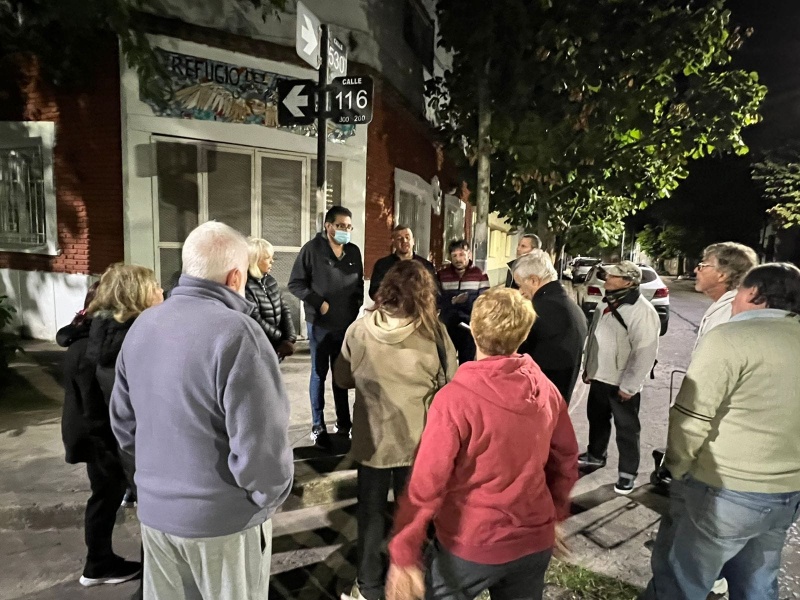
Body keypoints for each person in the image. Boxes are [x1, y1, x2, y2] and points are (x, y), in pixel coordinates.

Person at [109, 221, 294, 600]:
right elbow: (262, 447)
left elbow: (124, 427)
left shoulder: (143, 325)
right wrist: (267, 498)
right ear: (235, 277)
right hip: (224, 523)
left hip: (156, 519)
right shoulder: (239, 333)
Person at [385, 288, 579, 600]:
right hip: (533, 542)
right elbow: (566, 459)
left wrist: (405, 548)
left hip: (469, 545)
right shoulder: (545, 389)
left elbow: (427, 482)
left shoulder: (454, 401)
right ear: (524, 334)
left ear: (473, 330)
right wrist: (555, 513)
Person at [641, 263, 800, 600]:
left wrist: (677, 470)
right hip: (786, 492)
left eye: (739, 292)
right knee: (757, 584)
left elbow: (691, 417)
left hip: (724, 488)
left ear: (754, 293)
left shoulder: (731, 337)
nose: (734, 301)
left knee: (682, 582)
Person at [334, 260, 457, 600]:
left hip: (372, 440)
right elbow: (450, 383)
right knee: (415, 516)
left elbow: (342, 378)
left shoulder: (358, 330)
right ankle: (411, 584)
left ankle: (369, 586)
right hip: (419, 441)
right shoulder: (434, 333)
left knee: (370, 515)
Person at [69, 265, 163, 587]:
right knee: (151, 511)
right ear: (138, 295)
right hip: (127, 441)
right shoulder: (139, 338)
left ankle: (98, 564)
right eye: (155, 286)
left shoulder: (95, 330)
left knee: (105, 498)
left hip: (100, 437)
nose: (161, 291)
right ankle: (153, 583)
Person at [59, 281, 142, 588]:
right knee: (105, 498)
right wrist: (109, 444)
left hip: (91, 434)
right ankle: (97, 564)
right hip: (98, 437)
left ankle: (99, 561)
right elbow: (95, 402)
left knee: (104, 497)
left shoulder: (81, 336)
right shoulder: (92, 346)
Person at [579, 261, 660, 495]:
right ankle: (595, 455)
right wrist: (589, 368)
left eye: (613, 276)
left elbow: (645, 352)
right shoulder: (606, 302)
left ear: (628, 282)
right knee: (597, 419)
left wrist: (630, 386)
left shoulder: (642, 311)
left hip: (621, 382)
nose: (607, 279)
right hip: (599, 376)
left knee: (627, 429)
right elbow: (593, 338)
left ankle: (627, 473)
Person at [289, 206, 364, 445]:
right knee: (319, 374)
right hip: (319, 325)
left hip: (344, 325)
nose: (345, 230)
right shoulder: (312, 250)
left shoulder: (353, 252)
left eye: (348, 227)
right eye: (340, 226)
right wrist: (318, 303)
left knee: (341, 375)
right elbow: (295, 284)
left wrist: (354, 309)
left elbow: (358, 286)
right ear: (328, 226)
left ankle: (344, 422)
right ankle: (318, 426)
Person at [513, 250, 587, 404]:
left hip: (540, 400)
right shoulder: (570, 305)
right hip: (558, 399)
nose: (520, 291)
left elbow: (515, 356)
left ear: (534, 280)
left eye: (520, 285)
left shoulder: (538, 310)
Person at [692, 241, 758, 350]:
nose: (696, 270)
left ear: (722, 275)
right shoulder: (724, 305)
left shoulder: (732, 311)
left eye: (702, 266)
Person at [436, 239, 490, 364]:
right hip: (448, 326)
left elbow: (485, 300)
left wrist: (469, 302)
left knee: (467, 363)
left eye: (461, 254)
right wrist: (453, 301)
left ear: (469, 254)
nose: (458, 259)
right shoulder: (442, 275)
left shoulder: (480, 274)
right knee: (446, 361)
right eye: (454, 255)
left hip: (469, 327)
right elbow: (437, 300)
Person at [245, 237, 297, 359]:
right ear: (255, 260)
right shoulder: (246, 285)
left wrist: (289, 337)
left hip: (276, 349)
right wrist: (280, 339)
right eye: (267, 258)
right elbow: (255, 318)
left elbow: (284, 308)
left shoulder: (270, 281)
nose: (272, 261)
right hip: (260, 348)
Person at [368, 225, 437, 300]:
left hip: (419, 306)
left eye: (407, 237)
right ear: (393, 242)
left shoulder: (425, 265)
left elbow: (435, 291)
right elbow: (374, 291)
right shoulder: (383, 264)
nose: (404, 241)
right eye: (399, 238)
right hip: (392, 306)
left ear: (413, 241)